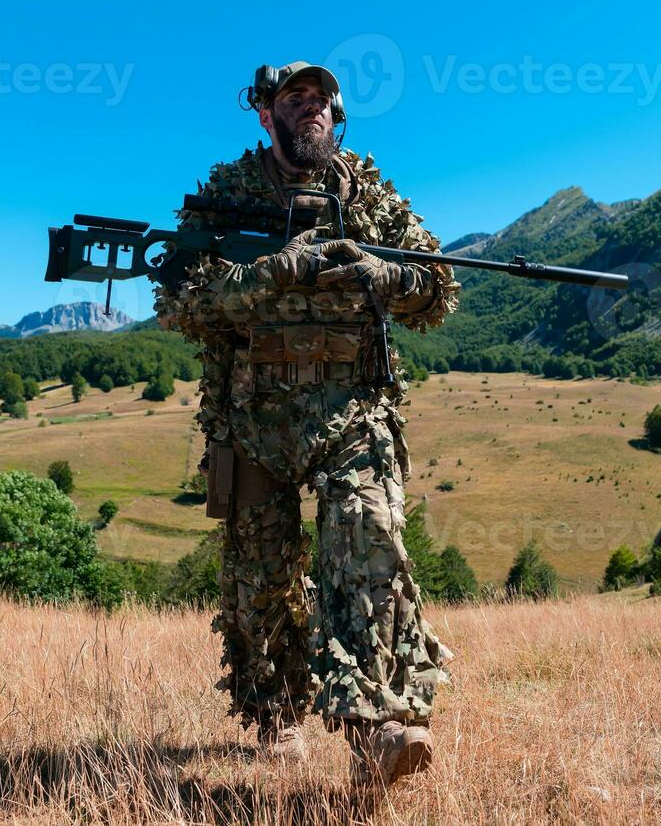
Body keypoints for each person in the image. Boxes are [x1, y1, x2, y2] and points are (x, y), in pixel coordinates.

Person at [155, 61, 457, 787]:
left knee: (370, 550)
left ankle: (379, 728)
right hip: (253, 417)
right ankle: (279, 715)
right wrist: (270, 275)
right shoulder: (227, 195)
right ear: (265, 114)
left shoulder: (368, 192)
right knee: (261, 583)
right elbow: (181, 305)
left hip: (353, 411)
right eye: (295, 99)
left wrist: (387, 278)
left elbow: (437, 287)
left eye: (321, 99)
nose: (311, 110)